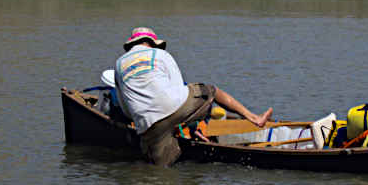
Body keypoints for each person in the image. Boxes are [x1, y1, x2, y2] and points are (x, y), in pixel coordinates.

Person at [115, 27, 272, 166]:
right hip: (175, 106)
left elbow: (126, 109)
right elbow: (179, 88)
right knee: (211, 91)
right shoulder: (161, 54)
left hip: (147, 123)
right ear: (152, 43)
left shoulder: (119, 63)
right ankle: (254, 118)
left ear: (131, 46)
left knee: (162, 167)